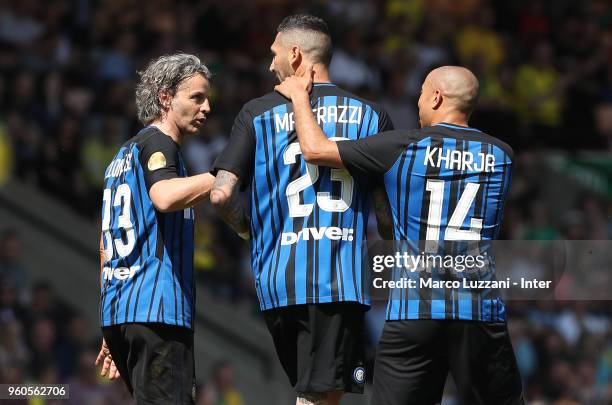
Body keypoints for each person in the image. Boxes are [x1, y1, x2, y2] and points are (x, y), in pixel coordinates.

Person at [275, 65, 524, 404]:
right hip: (477, 312)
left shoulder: (401, 147)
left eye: (421, 92)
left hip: (413, 312)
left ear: (436, 97)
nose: (418, 101)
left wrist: (300, 98)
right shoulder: (502, 155)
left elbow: (316, 150)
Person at [210, 14, 394, 405]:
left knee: (323, 391)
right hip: (336, 280)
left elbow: (222, 194)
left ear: (295, 55)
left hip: (277, 282)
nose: (269, 64)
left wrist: (247, 230)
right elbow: (385, 215)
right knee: (322, 393)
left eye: (273, 54)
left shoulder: (255, 113)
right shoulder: (372, 116)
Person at [94, 53, 215, 404]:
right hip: (157, 310)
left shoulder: (121, 156)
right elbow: (163, 197)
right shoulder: (160, 145)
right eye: (197, 97)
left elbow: (105, 245)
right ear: (165, 98)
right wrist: (224, 175)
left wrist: (111, 321)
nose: (206, 107)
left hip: (120, 311)